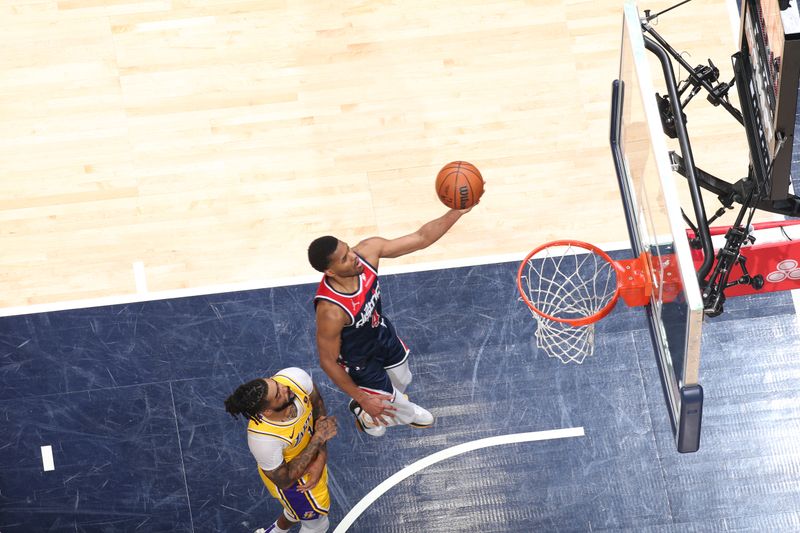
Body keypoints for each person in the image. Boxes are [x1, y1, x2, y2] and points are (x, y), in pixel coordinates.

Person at [307, 207, 473, 437]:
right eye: (344, 259)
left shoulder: (367, 252)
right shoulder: (331, 310)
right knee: (386, 416)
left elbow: (421, 238)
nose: (353, 257)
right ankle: (379, 414)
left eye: (348, 249)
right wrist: (363, 398)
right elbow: (327, 361)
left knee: (404, 379)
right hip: (359, 360)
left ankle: (371, 407)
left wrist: (457, 211)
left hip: (381, 334)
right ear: (330, 271)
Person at [224, 367, 337, 533]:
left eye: (276, 383)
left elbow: (318, 405)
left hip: (312, 457)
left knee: (295, 511)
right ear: (267, 411)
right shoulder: (262, 439)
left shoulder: (293, 378)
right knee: (318, 525)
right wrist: (318, 439)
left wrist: (321, 457)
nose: (285, 387)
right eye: (278, 394)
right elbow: (285, 480)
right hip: (293, 480)